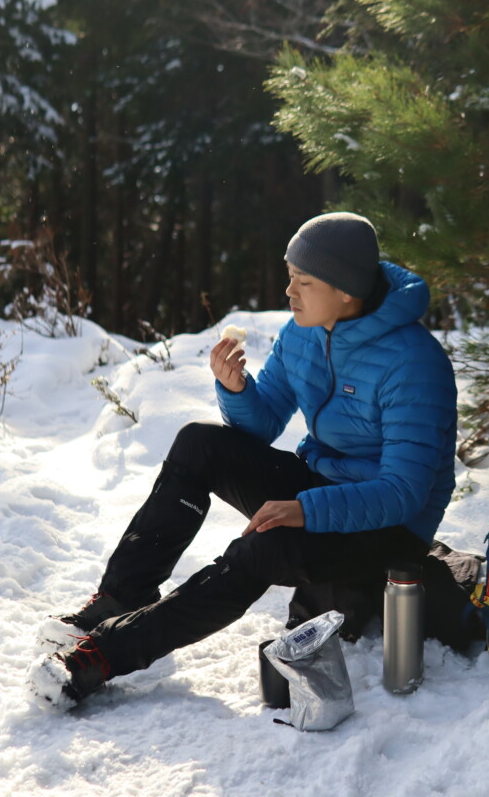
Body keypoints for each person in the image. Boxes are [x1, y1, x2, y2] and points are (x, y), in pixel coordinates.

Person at [27, 212, 458, 710]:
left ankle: (103, 656)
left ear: (346, 290)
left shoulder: (412, 362)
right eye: (289, 275)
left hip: (390, 526)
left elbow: (404, 493)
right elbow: (263, 421)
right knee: (198, 444)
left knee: (261, 546)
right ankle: (122, 597)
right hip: (321, 487)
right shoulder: (304, 331)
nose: (289, 292)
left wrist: (306, 510)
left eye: (304, 281)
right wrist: (235, 389)